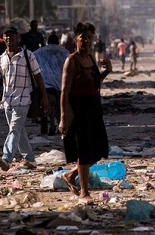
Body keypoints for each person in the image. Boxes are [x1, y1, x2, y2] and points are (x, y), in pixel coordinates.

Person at [0, 25, 51, 171]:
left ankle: (7, 158)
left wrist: (45, 97)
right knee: (19, 130)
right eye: (6, 35)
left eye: (12, 35)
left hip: (24, 99)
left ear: (17, 37)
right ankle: (30, 159)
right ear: (3, 38)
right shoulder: (0, 59)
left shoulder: (28, 55)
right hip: (7, 101)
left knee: (14, 129)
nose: (9, 38)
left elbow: (38, 77)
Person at [59, 22, 112, 203]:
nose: (87, 41)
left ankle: (70, 175)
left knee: (98, 150)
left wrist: (107, 72)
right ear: (76, 40)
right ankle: (84, 192)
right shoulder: (71, 61)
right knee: (84, 150)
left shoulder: (90, 59)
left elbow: (95, 84)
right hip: (78, 110)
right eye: (84, 38)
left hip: (94, 109)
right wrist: (64, 117)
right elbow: (64, 91)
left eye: (90, 38)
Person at [34, 33, 69, 135]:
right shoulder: (65, 52)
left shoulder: (39, 52)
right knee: (60, 107)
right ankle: (59, 125)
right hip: (60, 83)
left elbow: (31, 58)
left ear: (47, 42)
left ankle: (47, 127)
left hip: (45, 84)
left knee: (45, 107)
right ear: (58, 42)